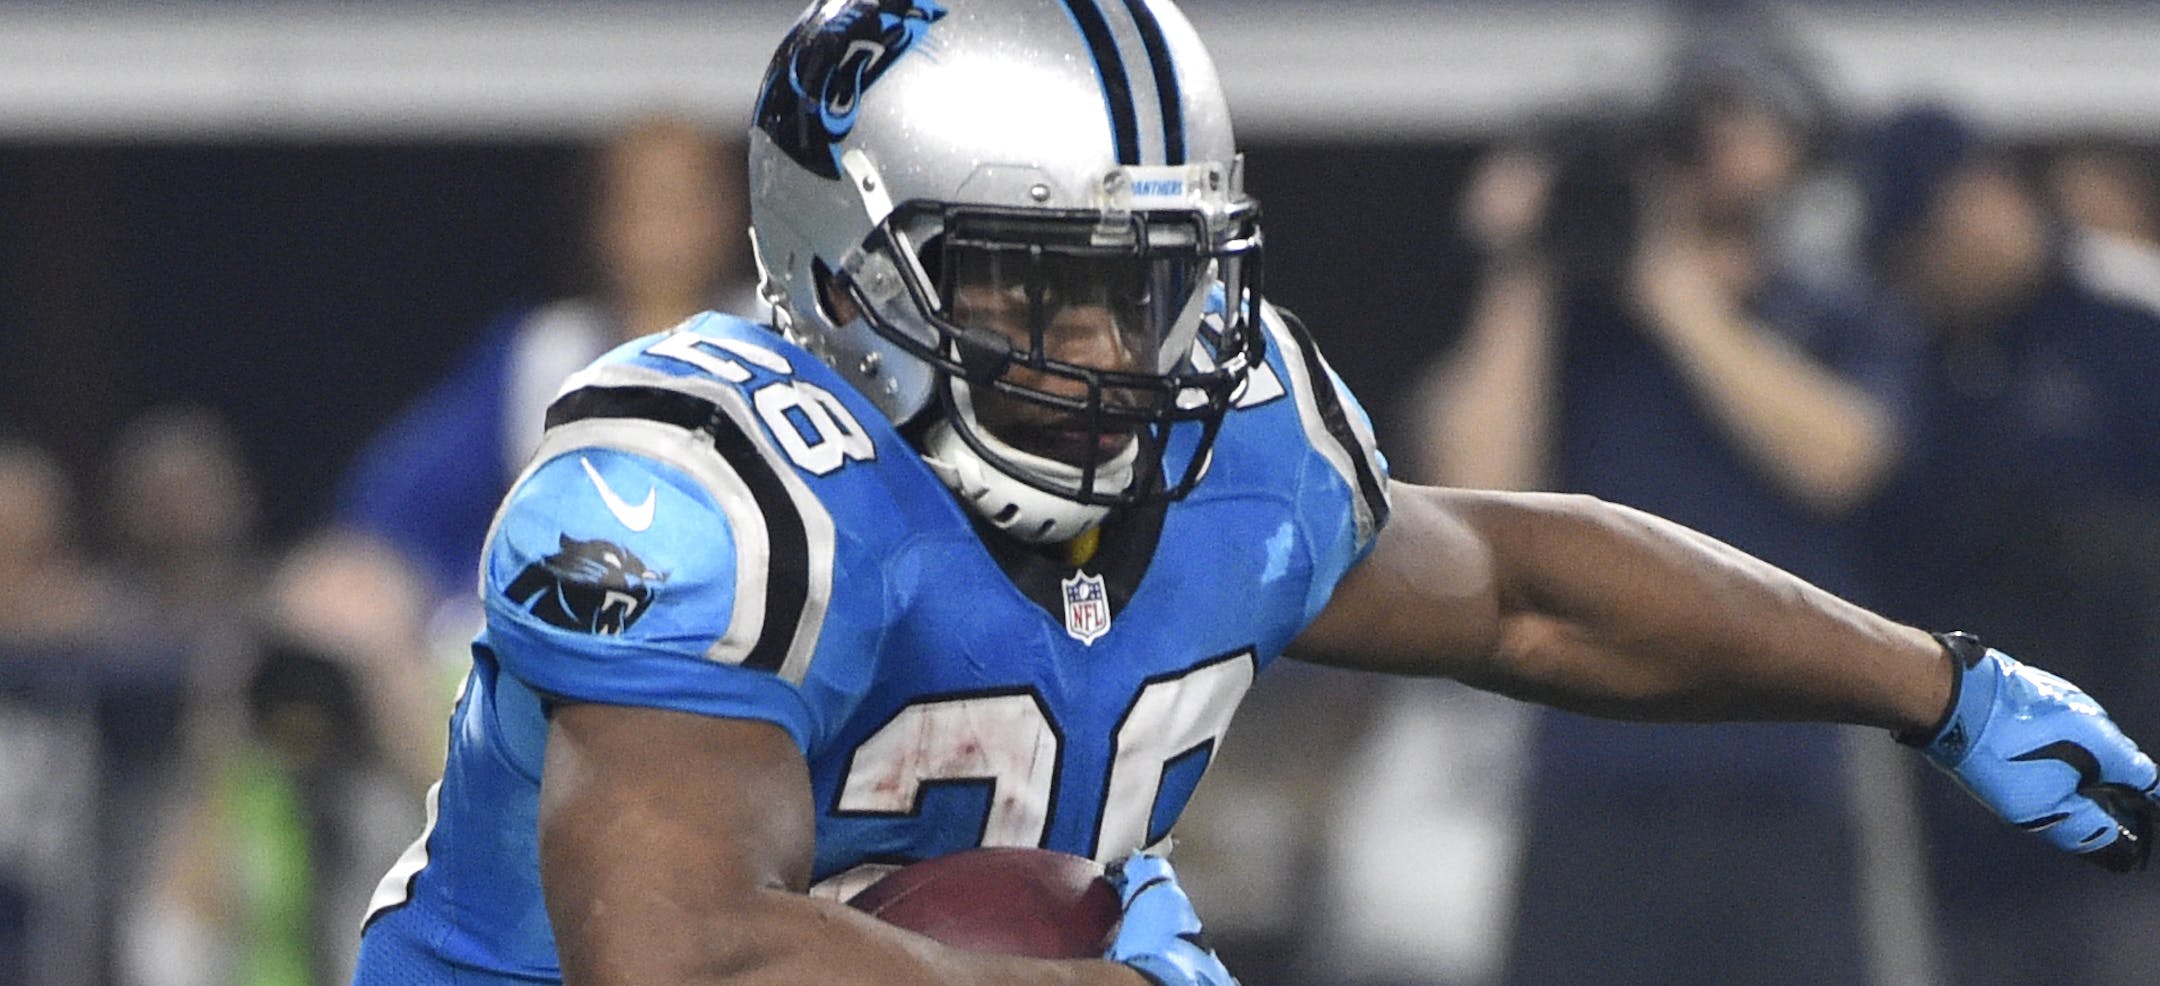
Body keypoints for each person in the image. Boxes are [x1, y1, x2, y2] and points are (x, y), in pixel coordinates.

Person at [352, 4, 2160, 985]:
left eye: (1147, 280)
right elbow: (678, 959)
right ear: (847, 267)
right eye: (1031, 280)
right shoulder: (696, 494)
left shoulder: (1237, 444)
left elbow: (1529, 588)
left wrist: (1937, 684)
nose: (1113, 346)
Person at [1401, 15, 1926, 982]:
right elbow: (1468, 483)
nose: (1713, 149)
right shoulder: (1578, 323)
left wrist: (1671, 288)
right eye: (1694, 124)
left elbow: (1842, 461)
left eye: (1742, 122)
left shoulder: (1836, 310)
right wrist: (1525, 262)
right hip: (1592, 775)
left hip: (1779, 776)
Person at [1856, 104, 2160, 986]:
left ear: (1986, 196)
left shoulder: (2130, 323)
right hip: (1969, 823)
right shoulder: (1911, 357)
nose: (1920, 269)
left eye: (1930, 235)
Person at [335, 111, 760, 600]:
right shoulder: (543, 352)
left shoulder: (783, 341)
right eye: (639, 204)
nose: (662, 229)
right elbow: (390, 505)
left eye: (685, 203)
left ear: (736, 215)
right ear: (601, 222)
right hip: (564, 635)